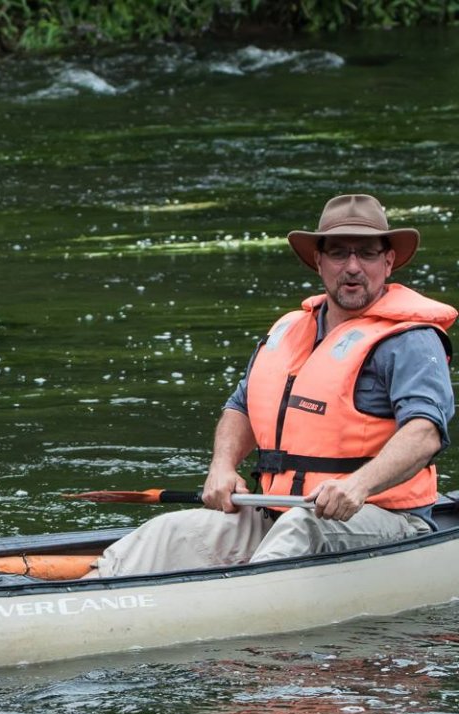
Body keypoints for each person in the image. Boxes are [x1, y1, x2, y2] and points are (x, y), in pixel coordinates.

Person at [95, 194, 456, 577]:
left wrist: (358, 486)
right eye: (338, 253)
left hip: (385, 521)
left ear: (388, 261)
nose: (352, 267)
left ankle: (236, 609)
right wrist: (222, 466)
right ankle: (89, 593)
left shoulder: (410, 340)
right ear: (318, 261)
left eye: (366, 254)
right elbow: (242, 406)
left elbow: (424, 433)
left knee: (303, 528)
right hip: (277, 512)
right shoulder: (289, 329)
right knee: (169, 533)